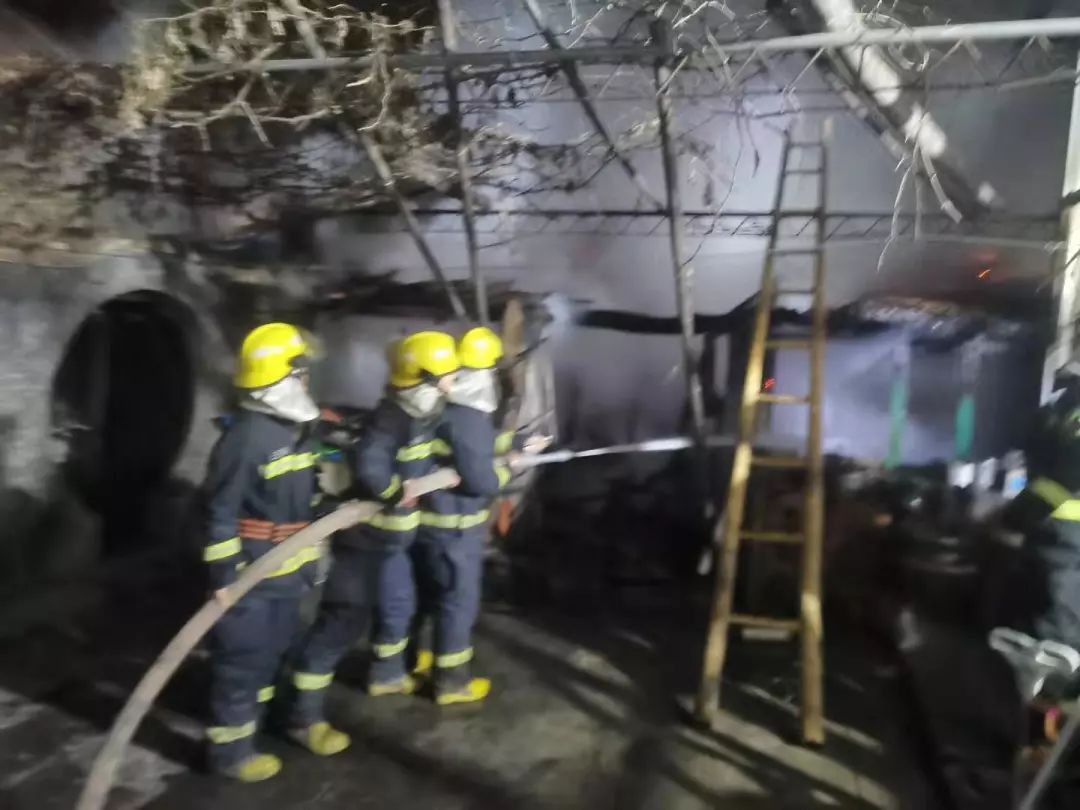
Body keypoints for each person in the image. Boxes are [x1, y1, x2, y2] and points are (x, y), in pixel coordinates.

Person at [288, 331, 460, 733]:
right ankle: (302, 715)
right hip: (364, 545)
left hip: (391, 545)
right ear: (426, 378)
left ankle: (386, 675)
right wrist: (395, 492)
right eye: (448, 377)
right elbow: (370, 466)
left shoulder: (417, 416)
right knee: (342, 623)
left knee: (397, 606)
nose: (453, 384)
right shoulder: (391, 419)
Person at [201, 322, 337, 782]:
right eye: (301, 373)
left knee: (274, 654)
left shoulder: (294, 432)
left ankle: (261, 729)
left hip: (288, 576)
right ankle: (230, 754)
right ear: (283, 377)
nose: (307, 380)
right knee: (241, 663)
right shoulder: (245, 439)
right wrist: (224, 579)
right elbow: (219, 513)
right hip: (252, 576)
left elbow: (308, 497)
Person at [412, 326, 547, 704]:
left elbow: (478, 447)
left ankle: (417, 661)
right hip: (456, 532)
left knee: (429, 597)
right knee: (458, 603)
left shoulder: (449, 408)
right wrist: (510, 468)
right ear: (483, 373)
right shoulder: (468, 417)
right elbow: (482, 480)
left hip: (433, 525)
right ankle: (451, 682)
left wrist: (517, 443)